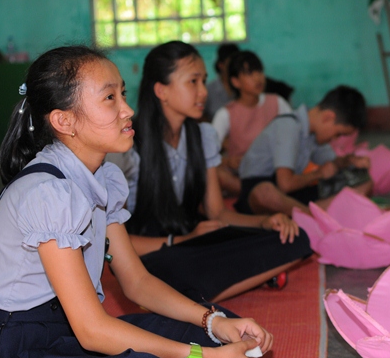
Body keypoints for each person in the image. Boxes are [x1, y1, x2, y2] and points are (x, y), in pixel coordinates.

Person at [0, 45, 273, 358]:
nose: (128, 110)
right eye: (109, 98)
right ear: (64, 121)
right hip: (23, 356)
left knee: (219, 336)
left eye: (123, 94)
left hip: (74, 335)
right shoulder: (47, 192)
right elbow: (92, 331)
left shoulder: (100, 178)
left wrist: (212, 321)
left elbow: (137, 283)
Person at [107, 41, 312, 304]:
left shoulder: (203, 135)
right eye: (193, 82)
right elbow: (116, 241)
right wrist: (181, 240)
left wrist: (265, 221)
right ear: (161, 90)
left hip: (194, 244)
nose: (203, 92)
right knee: (176, 264)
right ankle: (187, 292)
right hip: (151, 254)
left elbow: (218, 213)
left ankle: (181, 298)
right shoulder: (129, 144)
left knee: (294, 239)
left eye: (204, 81)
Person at [234, 85, 374, 217]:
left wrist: (350, 161)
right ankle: (313, 216)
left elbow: (332, 163)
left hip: (290, 197)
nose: (335, 139)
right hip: (258, 192)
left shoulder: (314, 135)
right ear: (328, 117)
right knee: (266, 192)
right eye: (338, 134)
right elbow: (285, 184)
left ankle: (311, 214)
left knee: (365, 184)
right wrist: (318, 174)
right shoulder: (289, 126)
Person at [211, 50, 294, 196]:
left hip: (275, 173)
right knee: (217, 175)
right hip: (242, 177)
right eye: (249, 73)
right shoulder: (226, 114)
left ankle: (264, 193)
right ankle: (259, 193)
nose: (258, 78)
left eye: (259, 71)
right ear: (235, 81)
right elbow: (207, 154)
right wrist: (228, 162)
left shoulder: (277, 103)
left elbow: (294, 135)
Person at [205, 43, 240, 120]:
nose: (234, 68)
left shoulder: (243, 88)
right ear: (221, 65)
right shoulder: (209, 90)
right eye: (231, 64)